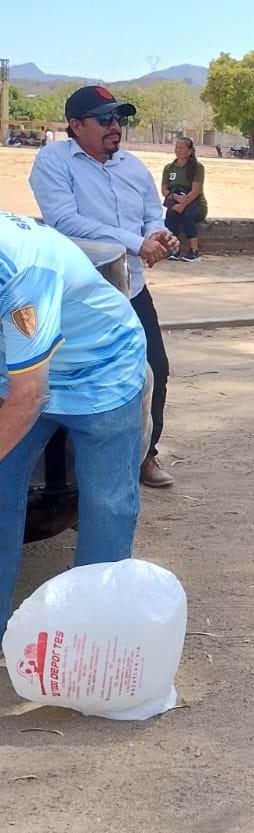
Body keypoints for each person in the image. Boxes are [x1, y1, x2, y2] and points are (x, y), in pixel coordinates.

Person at [0, 212, 147, 633]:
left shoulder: (22, 271)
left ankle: (92, 643)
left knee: (106, 506)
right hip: (18, 370)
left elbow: (31, 396)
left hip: (101, 368)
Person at [30, 86, 178, 489]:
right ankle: (74, 479)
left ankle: (145, 456)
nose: (116, 127)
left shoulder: (133, 167)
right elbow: (64, 221)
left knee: (155, 371)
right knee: (77, 377)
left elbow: (152, 215)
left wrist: (160, 235)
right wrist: (135, 242)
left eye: (120, 119)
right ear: (76, 126)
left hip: (129, 288)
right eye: (105, 119)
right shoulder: (53, 162)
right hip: (79, 294)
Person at [162, 137, 208, 263]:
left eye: (182, 148)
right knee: (170, 214)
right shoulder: (169, 168)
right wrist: (175, 198)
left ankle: (194, 250)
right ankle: (174, 249)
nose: (178, 151)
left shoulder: (197, 167)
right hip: (176, 202)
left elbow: (196, 190)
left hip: (195, 204)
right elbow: (164, 190)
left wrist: (183, 203)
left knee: (187, 216)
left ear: (190, 151)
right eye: (176, 148)